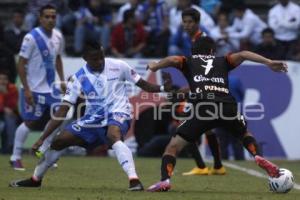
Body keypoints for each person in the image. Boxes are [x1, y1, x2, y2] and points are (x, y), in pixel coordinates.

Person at [9, 41, 173, 191]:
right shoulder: (78, 78)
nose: (100, 61)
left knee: (113, 134)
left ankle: (134, 180)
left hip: (118, 111)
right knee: (59, 141)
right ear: (85, 58)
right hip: (92, 119)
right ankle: (35, 179)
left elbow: (144, 85)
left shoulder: (119, 65)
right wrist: (43, 138)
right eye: (94, 59)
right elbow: (62, 111)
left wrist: (163, 88)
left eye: (101, 56)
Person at [146, 36, 287, 192]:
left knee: (173, 147)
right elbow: (244, 54)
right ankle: (257, 156)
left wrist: (155, 66)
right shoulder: (223, 60)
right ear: (212, 51)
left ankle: (165, 180)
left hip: (204, 108)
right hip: (227, 106)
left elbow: (173, 59)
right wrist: (268, 62)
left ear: (193, 51)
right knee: (244, 134)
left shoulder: (188, 61)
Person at [169, 8, 225, 175]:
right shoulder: (192, 39)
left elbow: (210, 67)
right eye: (184, 22)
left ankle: (202, 167)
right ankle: (217, 166)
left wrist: (190, 88)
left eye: (190, 22)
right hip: (201, 88)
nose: (186, 25)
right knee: (206, 128)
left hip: (205, 88)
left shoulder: (204, 40)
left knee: (184, 125)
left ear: (197, 23)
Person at [9, 4, 65, 170]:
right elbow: (21, 63)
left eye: (53, 16)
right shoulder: (31, 37)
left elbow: (58, 59)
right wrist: (26, 89)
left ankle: (44, 153)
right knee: (31, 122)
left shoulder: (58, 36)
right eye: (47, 16)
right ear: (40, 18)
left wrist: (62, 80)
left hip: (50, 88)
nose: (50, 19)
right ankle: (15, 156)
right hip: (33, 88)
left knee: (59, 120)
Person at [0, 69, 19, 154]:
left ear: (8, 80)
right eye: (0, 79)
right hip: (2, 112)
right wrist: (3, 108)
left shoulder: (13, 88)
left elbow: (13, 105)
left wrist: (5, 92)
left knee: (10, 118)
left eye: (4, 79)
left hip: (9, 114)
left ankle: (10, 147)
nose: (2, 81)